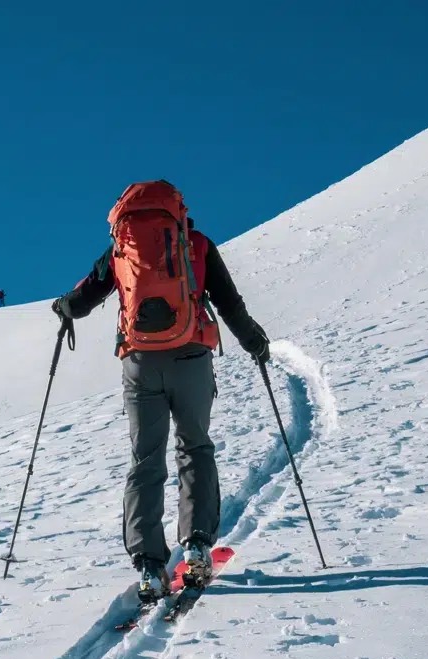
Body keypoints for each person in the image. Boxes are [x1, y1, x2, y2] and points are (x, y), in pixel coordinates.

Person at [51, 180, 269, 602]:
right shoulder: (197, 245)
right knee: (195, 447)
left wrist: (63, 306)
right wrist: (254, 341)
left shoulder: (121, 249)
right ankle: (197, 545)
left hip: (139, 363)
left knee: (145, 459)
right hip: (191, 357)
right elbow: (229, 303)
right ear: (178, 211)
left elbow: (81, 300)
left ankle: (150, 565)